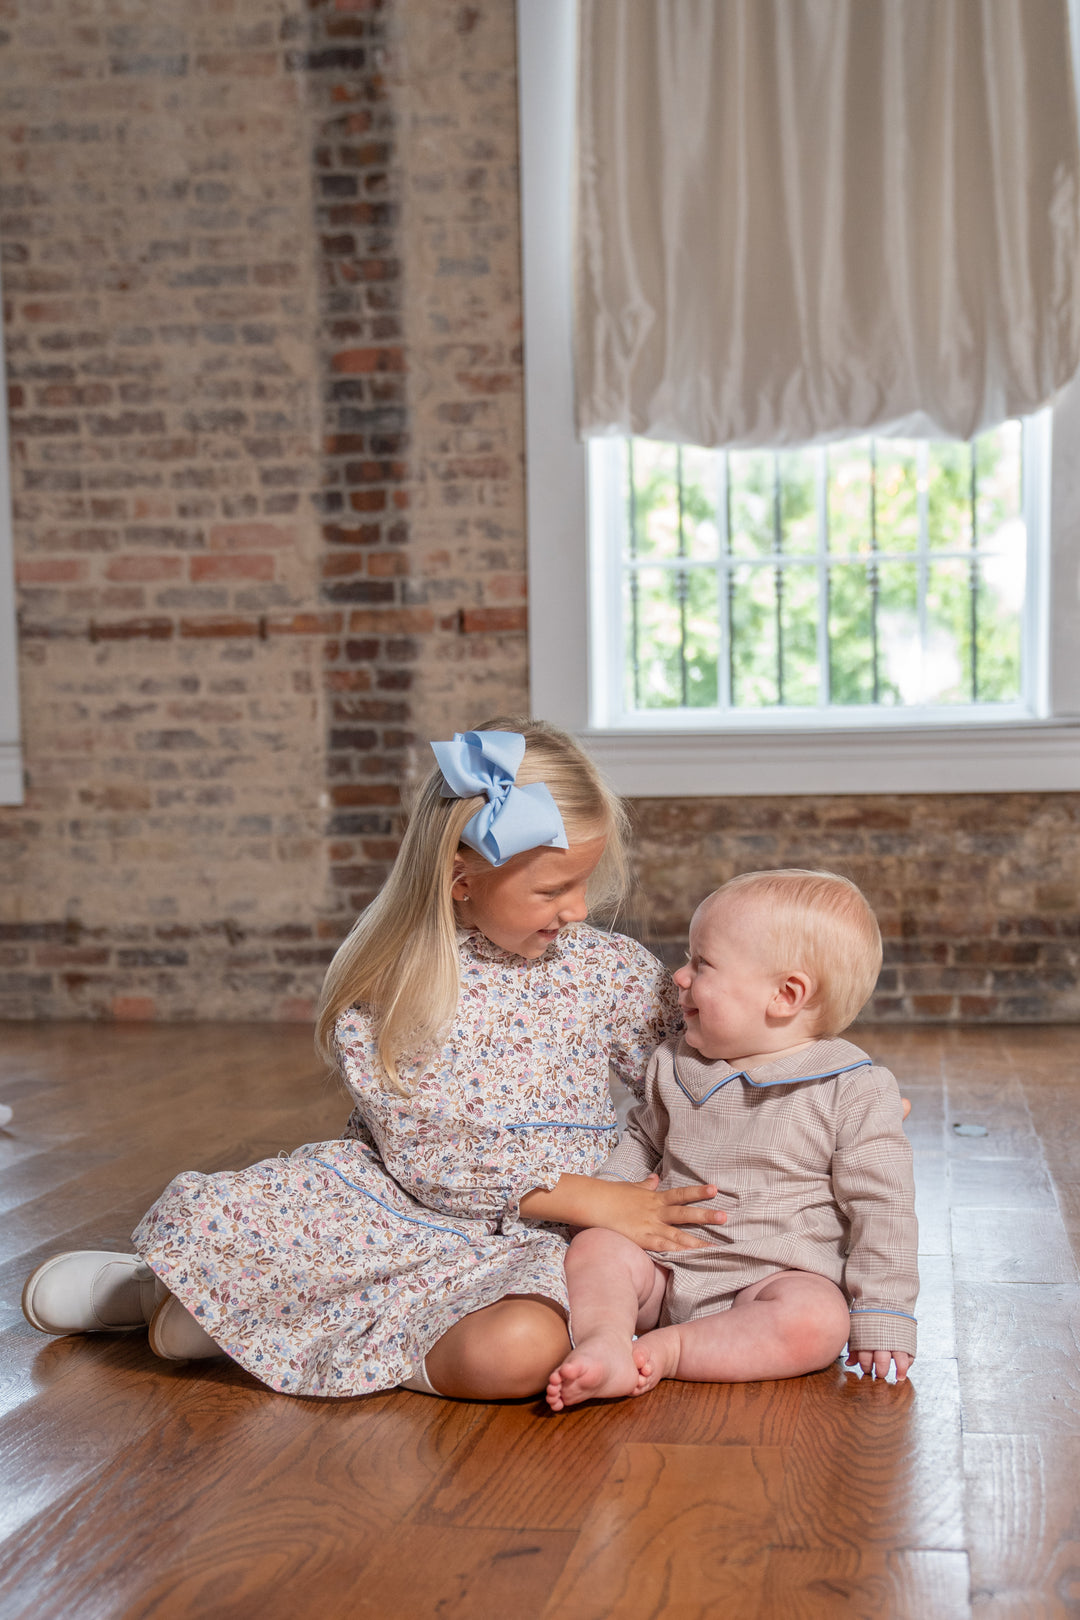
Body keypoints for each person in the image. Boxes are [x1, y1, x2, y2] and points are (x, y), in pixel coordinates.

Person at [21, 720, 725, 1400]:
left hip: (541, 1240)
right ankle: (143, 1288)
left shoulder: (604, 969)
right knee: (250, 1226)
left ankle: (310, 1333)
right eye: (550, 890)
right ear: (461, 879)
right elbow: (430, 1156)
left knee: (520, 1350)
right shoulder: (400, 987)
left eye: (584, 884)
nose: (576, 909)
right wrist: (591, 1196)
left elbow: (686, 1067)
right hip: (405, 1207)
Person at [546, 868, 918, 1412]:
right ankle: (606, 1339)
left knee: (817, 1320)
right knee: (596, 1249)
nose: (679, 976)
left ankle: (668, 1351)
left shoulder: (854, 1088)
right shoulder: (674, 1065)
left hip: (772, 1279)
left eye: (703, 964)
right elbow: (642, 1142)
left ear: (785, 994)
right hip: (665, 1265)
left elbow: (884, 1207)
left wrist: (883, 1310)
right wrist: (605, 1199)